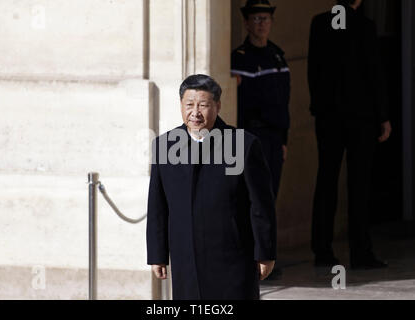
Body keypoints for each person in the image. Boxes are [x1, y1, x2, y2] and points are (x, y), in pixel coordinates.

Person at [146, 74, 277, 299]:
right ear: (180, 105)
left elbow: (261, 206)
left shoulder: (243, 144)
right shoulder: (165, 146)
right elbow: (158, 205)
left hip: (232, 258)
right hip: (185, 259)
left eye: (203, 105)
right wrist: (157, 253)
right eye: (189, 105)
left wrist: (265, 253)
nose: (195, 112)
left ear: (217, 105)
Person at [308, 0, 391, 269]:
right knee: (359, 185)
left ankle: (322, 251)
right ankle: (360, 251)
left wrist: (318, 108)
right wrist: (383, 116)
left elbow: (313, 71)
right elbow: (374, 73)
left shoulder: (319, 23)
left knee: (326, 181)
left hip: (329, 118)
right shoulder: (364, 26)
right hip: (360, 119)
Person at [231, 0, 290, 280]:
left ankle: (266, 260)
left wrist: (284, 140)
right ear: (246, 23)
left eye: (265, 18)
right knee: (248, 199)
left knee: (268, 198)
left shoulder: (278, 56)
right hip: (248, 137)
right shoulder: (238, 58)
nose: (261, 23)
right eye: (256, 19)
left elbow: (284, 103)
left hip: (273, 138)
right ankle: (248, 259)